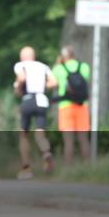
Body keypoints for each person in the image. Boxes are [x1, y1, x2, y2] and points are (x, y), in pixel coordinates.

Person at [13, 46, 56, 179]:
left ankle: (26, 168)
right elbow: (54, 83)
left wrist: (18, 89)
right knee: (40, 133)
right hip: (42, 100)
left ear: (23, 57)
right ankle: (46, 152)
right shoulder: (43, 66)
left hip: (28, 99)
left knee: (23, 134)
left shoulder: (21, 65)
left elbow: (21, 79)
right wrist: (42, 86)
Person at [51, 45, 91, 165]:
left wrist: (58, 63)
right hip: (82, 105)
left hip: (65, 106)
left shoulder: (59, 68)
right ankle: (87, 167)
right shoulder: (84, 66)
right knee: (83, 139)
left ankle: (68, 169)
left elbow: (53, 83)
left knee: (68, 140)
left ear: (63, 56)